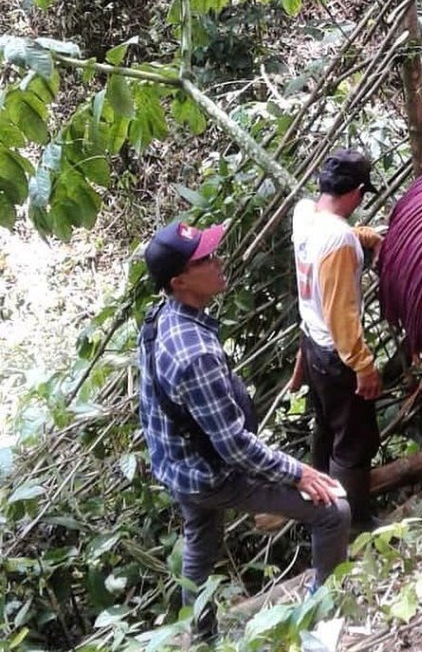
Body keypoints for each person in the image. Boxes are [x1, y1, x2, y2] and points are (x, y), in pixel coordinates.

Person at [137, 220, 350, 642]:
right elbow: (234, 447)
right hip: (211, 473)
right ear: (180, 282)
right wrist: (299, 473)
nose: (218, 262)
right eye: (205, 260)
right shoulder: (194, 353)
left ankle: (201, 640)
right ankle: (322, 622)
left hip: (179, 466)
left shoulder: (162, 317)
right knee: (333, 512)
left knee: (200, 545)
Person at [288, 149, 384, 533]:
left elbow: (324, 245)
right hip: (335, 353)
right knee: (355, 442)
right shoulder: (339, 240)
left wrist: (360, 236)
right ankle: (352, 524)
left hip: (312, 345)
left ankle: (321, 512)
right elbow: (340, 312)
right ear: (357, 192)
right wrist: (363, 364)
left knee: (327, 429)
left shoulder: (304, 214)